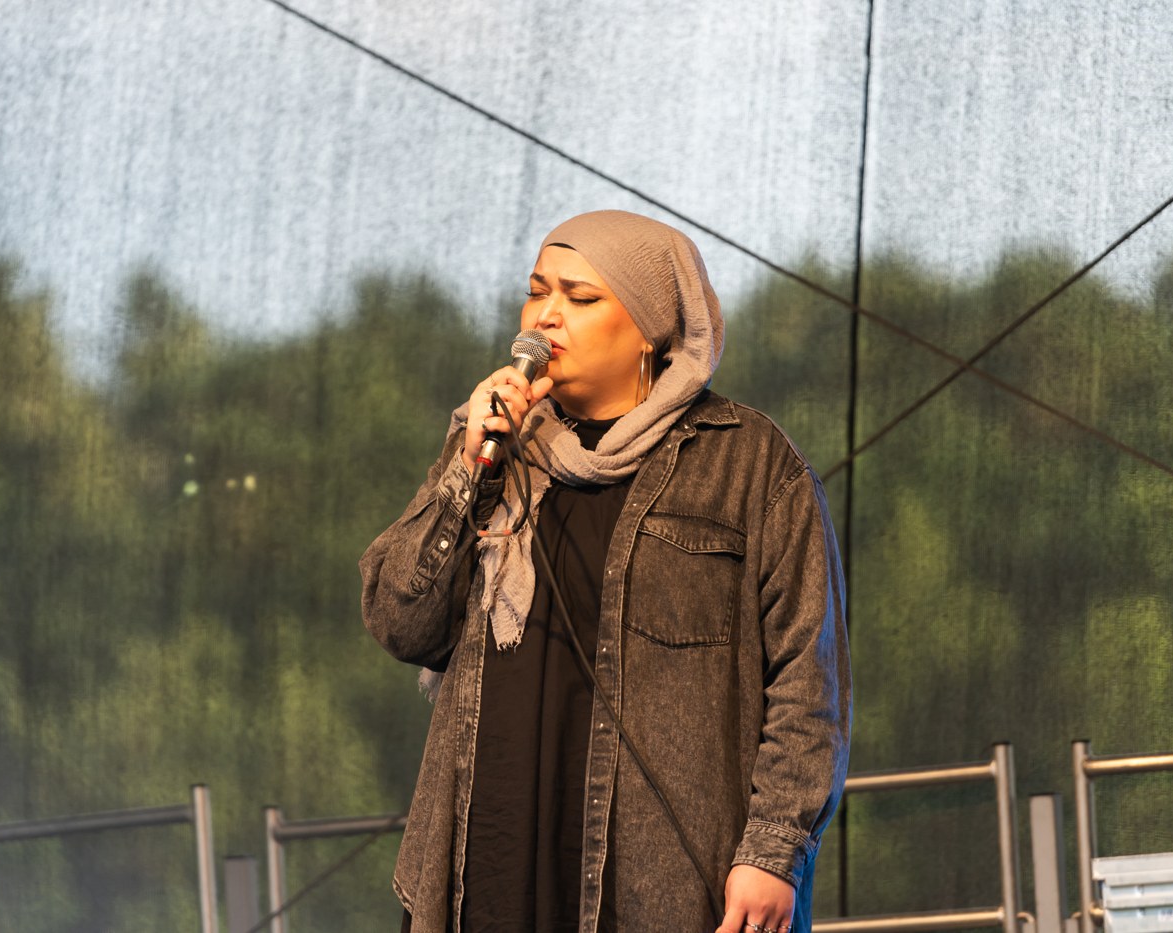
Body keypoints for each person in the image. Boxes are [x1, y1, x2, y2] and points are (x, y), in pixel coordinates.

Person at [360, 209, 850, 933]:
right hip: (491, 861)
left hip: (664, 882)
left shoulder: (746, 462)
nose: (545, 316)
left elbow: (808, 683)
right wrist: (468, 469)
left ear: (649, 327)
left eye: (581, 297)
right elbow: (401, 621)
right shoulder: (496, 447)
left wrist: (773, 852)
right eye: (537, 292)